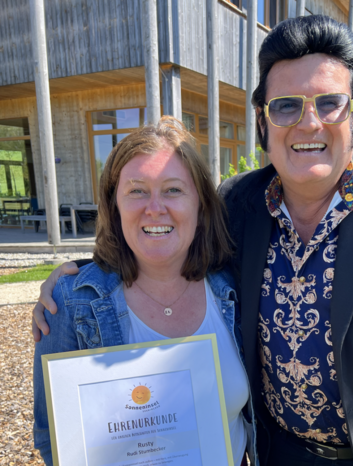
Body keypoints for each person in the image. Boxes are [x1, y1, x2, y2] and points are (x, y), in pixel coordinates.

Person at [33, 15, 353, 466]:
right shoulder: (239, 204)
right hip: (278, 455)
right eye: (286, 105)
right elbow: (166, 240)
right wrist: (77, 279)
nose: (308, 123)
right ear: (262, 120)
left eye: (329, 103)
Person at [33, 117, 255, 466]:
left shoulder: (235, 288)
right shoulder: (71, 303)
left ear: (200, 205)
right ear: (115, 205)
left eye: (173, 190)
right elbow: (54, 437)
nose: (154, 208)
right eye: (136, 191)